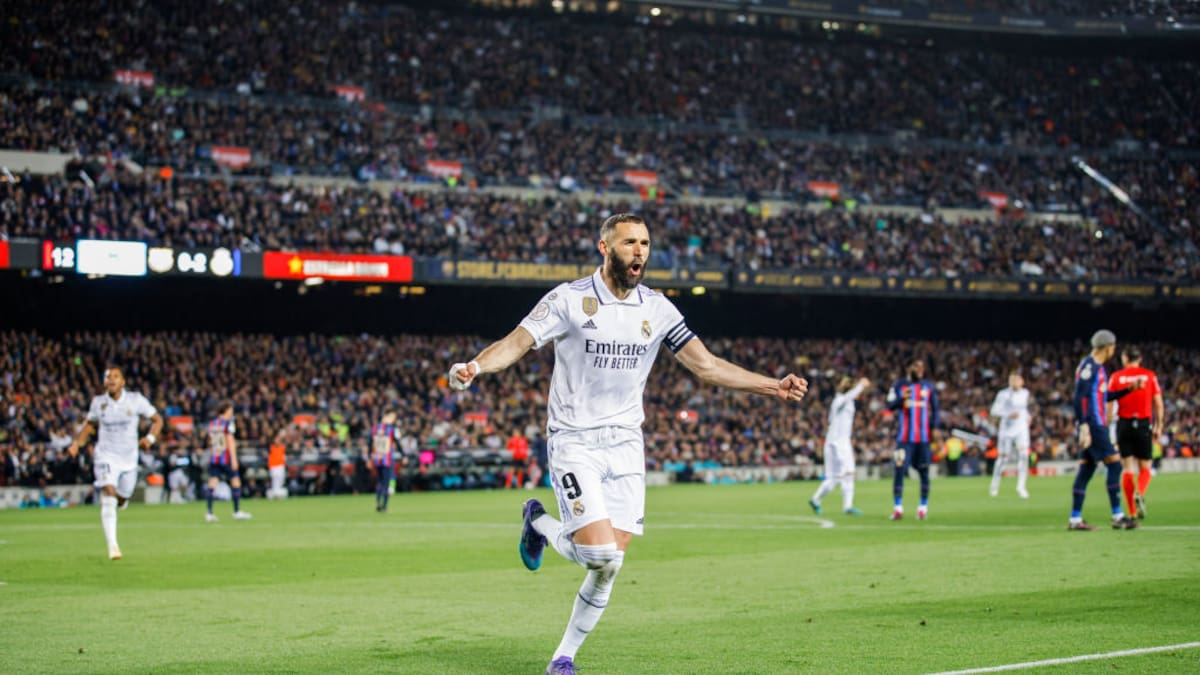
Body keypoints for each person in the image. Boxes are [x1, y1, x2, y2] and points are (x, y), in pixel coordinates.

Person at [446, 213, 809, 675]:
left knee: (609, 565)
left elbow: (708, 366)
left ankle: (563, 657)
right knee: (598, 553)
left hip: (625, 445)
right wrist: (475, 367)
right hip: (574, 440)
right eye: (629, 243)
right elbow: (517, 342)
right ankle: (538, 523)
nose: (639, 251)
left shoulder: (657, 309)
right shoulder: (569, 299)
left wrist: (772, 386)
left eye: (645, 243)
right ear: (604, 248)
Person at [67, 366, 163, 560]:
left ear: (123, 381)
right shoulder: (98, 403)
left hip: (129, 459)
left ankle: (122, 500)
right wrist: (77, 444)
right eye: (108, 377)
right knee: (108, 491)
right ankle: (113, 546)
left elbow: (157, 420)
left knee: (122, 498)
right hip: (106, 456)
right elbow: (90, 425)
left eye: (116, 376)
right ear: (104, 382)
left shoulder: (136, 400)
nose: (111, 379)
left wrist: (150, 439)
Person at [1068, 330, 1143, 531]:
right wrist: (1084, 425)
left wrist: (1129, 389)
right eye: (1113, 347)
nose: (1114, 350)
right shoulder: (1090, 367)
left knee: (1086, 469)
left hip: (1094, 423)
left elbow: (1104, 396)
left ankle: (1075, 519)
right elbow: (1079, 397)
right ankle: (1118, 515)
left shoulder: (1097, 368)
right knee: (1115, 465)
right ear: (1108, 347)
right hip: (1094, 425)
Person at [1108, 347, 1164, 520]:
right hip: (1142, 423)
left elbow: (1109, 402)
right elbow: (1159, 403)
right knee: (1145, 467)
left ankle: (1131, 511)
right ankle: (1139, 492)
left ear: (1125, 359)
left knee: (1127, 468)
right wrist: (1158, 426)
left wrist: (1108, 423)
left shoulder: (1116, 377)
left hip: (1123, 424)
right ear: (1139, 359)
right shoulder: (1149, 375)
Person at [886, 359, 939, 521]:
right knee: (899, 469)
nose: (920, 369)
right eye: (916, 366)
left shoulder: (928, 386)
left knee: (924, 472)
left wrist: (935, 428)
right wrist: (902, 399)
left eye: (922, 367)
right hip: (904, 439)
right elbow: (889, 406)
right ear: (909, 368)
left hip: (923, 439)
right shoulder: (898, 385)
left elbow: (936, 409)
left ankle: (923, 508)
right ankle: (898, 508)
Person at [809, 376, 870, 516]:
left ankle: (815, 499)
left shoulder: (843, 402)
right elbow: (848, 397)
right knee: (848, 473)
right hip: (839, 442)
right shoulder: (841, 400)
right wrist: (860, 385)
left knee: (834, 477)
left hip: (833, 442)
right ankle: (848, 506)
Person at [204, 402, 252, 522]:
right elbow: (230, 441)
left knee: (212, 483)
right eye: (231, 410)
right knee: (236, 482)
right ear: (226, 410)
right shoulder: (228, 424)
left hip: (215, 457)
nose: (232, 413)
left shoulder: (212, 424)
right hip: (226, 458)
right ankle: (236, 511)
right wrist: (234, 459)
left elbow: (210, 442)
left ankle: (209, 513)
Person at [989, 370, 1032, 499]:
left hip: (1021, 429)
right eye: (1011, 379)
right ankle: (994, 485)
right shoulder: (1003, 394)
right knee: (1003, 459)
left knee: (1024, 456)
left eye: (1016, 379)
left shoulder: (1025, 393)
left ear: (1022, 381)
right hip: (1006, 430)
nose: (1014, 382)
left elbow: (1023, 409)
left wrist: (1028, 417)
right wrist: (1008, 415)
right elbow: (994, 411)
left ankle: (1021, 487)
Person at [370, 410, 401, 512]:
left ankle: (378, 503)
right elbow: (397, 442)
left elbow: (370, 443)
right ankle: (384, 506)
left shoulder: (374, 428)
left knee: (379, 482)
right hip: (386, 460)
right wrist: (403, 454)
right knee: (386, 483)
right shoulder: (390, 429)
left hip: (377, 459)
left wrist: (369, 456)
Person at [267, 432, 288, 500]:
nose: (277, 441)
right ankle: (275, 494)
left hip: (281, 466)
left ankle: (278, 493)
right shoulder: (271, 447)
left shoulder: (282, 447)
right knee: (275, 480)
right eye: (276, 439)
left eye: (278, 439)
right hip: (273, 466)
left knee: (281, 479)